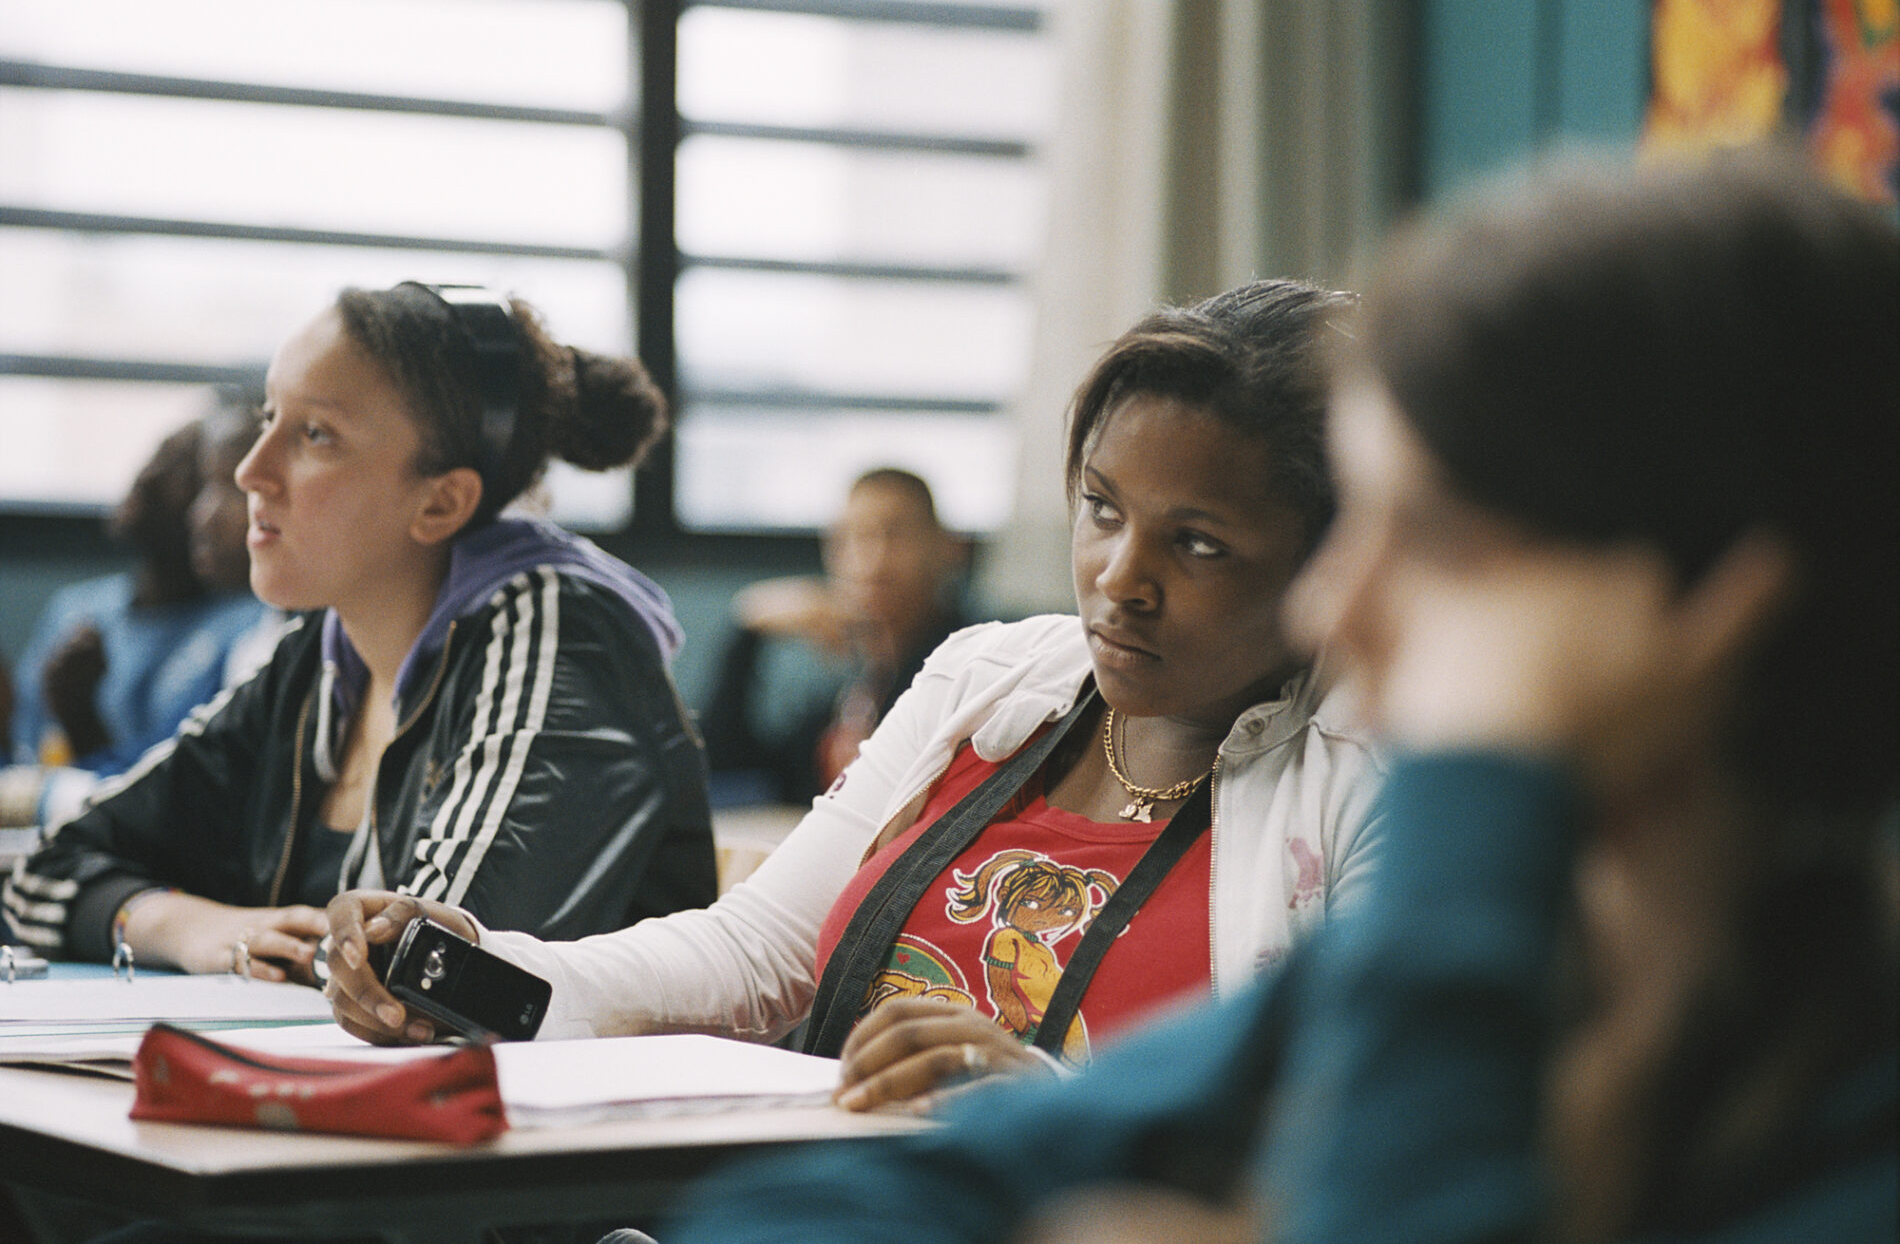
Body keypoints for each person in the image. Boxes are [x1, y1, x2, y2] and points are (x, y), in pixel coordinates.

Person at [662, 147, 1898, 1243]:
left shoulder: (1844, 1119)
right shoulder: (1514, 959)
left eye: (1439, 544)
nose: (1329, 609)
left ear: (1716, 602)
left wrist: (1483, 779)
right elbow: (778, 1217)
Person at [322, 279, 1383, 1110]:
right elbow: (756, 951)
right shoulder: (987, 681)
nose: (1120, 577)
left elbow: (1367, 1142)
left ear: (1330, 564)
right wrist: (490, 968)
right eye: (1102, 510)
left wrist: (1046, 1104)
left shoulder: (1373, 781)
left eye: (1197, 544)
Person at [2, 282, 718, 979]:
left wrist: (259, 941)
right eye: (268, 416)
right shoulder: (321, 657)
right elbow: (41, 870)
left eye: (316, 434)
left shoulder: (558, 636)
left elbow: (429, 968)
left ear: (441, 503)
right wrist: (189, 926)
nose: (251, 470)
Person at [0, 392, 270, 828]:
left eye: (185, 475)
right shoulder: (77, 607)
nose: (149, 477)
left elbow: (167, 801)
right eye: (157, 456)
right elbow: (26, 756)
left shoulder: (242, 632)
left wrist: (81, 718)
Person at [699, 467, 969, 806]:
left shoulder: (969, 664)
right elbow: (725, 758)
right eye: (851, 538)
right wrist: (748, 628)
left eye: (894, 535)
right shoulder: (853, 687)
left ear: (947, 548)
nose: (871, 558)